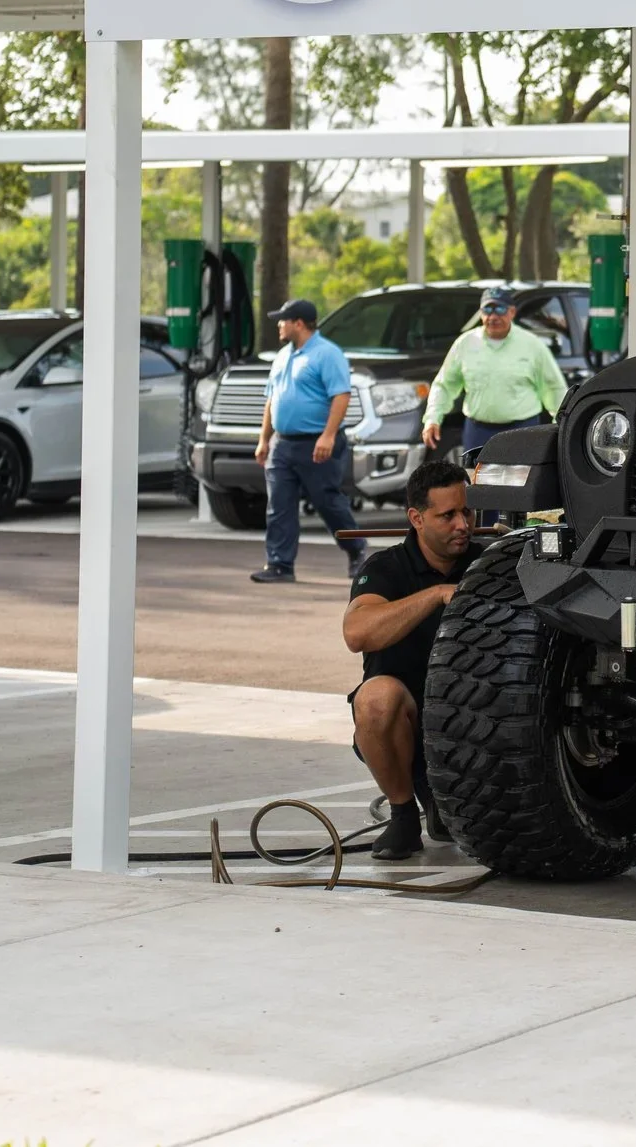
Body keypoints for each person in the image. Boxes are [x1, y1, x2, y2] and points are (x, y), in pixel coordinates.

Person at [345, 458, 478, 861]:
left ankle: (446, 802)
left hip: (478, 729)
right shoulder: (385, 569)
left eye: (467, 512)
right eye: (448, 515)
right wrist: (436, 595)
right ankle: (403, 815)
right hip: (412, 727)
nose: (463, 525)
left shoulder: (487, 563)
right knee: (375, 699)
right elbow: (357, 633)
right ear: (416, 518)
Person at [251, 298, 365, 584]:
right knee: (279, 504)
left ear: (298, 323)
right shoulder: (282, 355)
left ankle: (356, 550)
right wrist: (264, 439)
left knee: (327, 501)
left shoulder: (327, 354)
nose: (279, 324)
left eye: (283, 320)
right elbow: (271, 399)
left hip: (316, 442)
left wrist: (327, 435)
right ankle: (280, 564)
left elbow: (341, 395)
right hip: (282, 443)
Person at [421, 287, 568, 459]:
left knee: (519, 484)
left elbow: (554, 388)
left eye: (499, 309)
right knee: (476, 483)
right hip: (477, 431)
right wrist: (432, 418)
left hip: (522, 431)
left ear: (512, 312)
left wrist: (561, 426)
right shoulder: (465, 344)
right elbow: (444, 385)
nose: (493, 317)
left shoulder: (532, 345)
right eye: (487, 310)